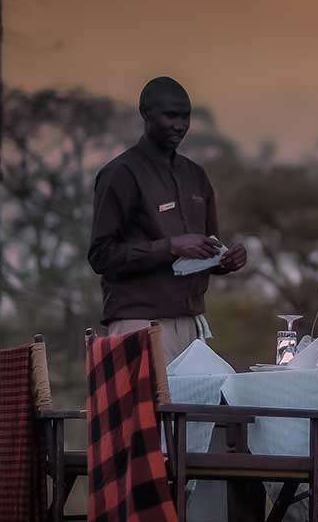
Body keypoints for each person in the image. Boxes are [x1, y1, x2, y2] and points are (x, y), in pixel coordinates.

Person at [88, 76, 248, 362]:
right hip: (138, 323)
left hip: (192, 324)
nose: (179, 125)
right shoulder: (122, 173)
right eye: (170, 116)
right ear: (146, 113)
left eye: (185, 116)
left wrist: (225, 261)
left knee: (203, 394)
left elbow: (208, 248)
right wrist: (171, 246)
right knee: (146, 397)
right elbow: (101, 256)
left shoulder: (195, 175)